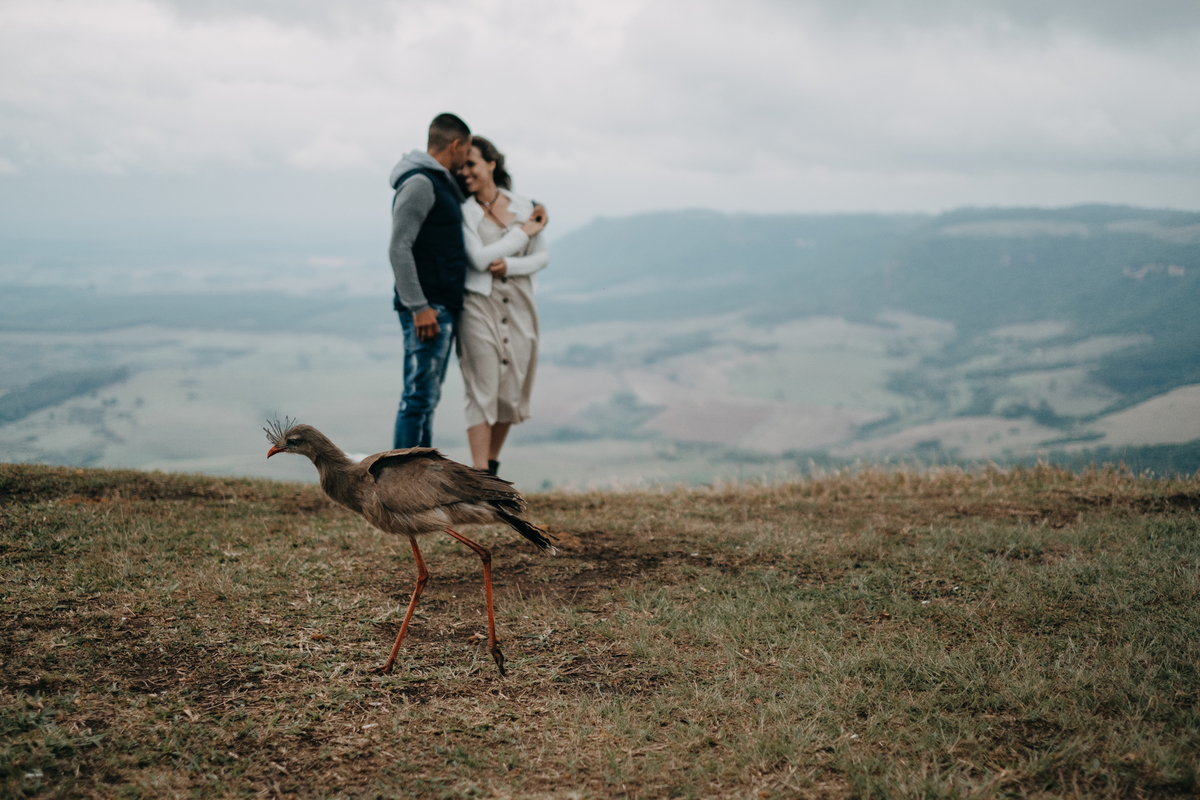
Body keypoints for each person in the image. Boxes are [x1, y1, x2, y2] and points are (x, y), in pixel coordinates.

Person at [457, 136, 549, 476]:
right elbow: (478, 259)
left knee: (510, 389)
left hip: (521, 306)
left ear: (491, 164)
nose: (465, 171)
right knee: (482, 387)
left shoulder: (525, 206)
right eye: (462, 166)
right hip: (479, 305)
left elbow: (543, 256)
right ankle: (479, 474)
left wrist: (512, 265)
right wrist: (523, 234)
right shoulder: (463, 211)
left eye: (472, 164)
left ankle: (490, 469)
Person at [387, 113, 473, 449]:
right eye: (466, 151)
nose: (467, 161)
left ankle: (418, 481)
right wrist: (419, 307)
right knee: (417, 398)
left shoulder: (440, 183)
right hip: (428, 310)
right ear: (456, 145)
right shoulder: (421, 183)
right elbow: (399, 246)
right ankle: (398, 483)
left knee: (427, 399)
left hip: (439, 305)